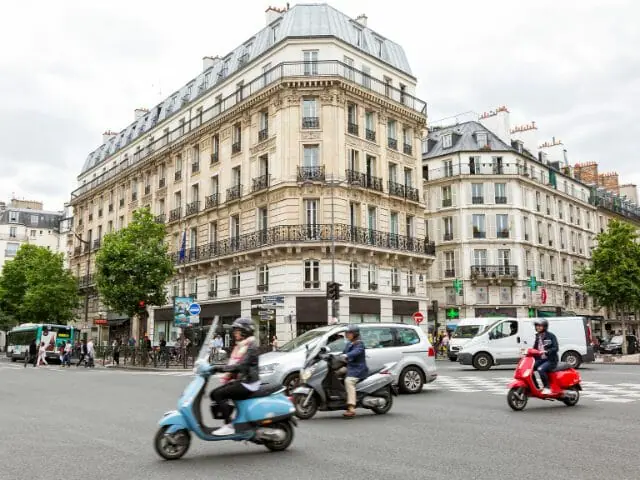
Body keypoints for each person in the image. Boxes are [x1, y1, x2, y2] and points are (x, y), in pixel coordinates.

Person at [209, 318, 259, 436]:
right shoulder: (242, 346)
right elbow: (234, 365)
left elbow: (241, 366)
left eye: (237, 330)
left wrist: (218, 368)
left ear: (245, 331)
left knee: (218, 394)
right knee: (214, 393)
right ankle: (235, 421)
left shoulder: (251, 346)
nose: (234, 333)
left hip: (248, 383)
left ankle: (229, 425)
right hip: (243, 380)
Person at [339, 325, 368, 418]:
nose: (347, 334)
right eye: (346, 333)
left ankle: (351, 407)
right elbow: (343, 353)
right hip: (350, 367)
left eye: (349, 333)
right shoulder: (349, 343)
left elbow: (356, 352)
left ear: (355, 334)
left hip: (358, 369)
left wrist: (346, 356)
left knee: (349, 381)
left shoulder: (359, 343)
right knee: (334, 372)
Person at [533, 319, 559, 395]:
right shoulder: (538, 336)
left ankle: (547, 387)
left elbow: (556, 348)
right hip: (541, 359)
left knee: (540, 369)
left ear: (544, 326)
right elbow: (535, 348)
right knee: (529, 370)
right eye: (537, 326)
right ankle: (535, 387)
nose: (538, 327)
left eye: (540, 326)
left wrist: (547, 351)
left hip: (551, 360)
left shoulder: (551, 336)